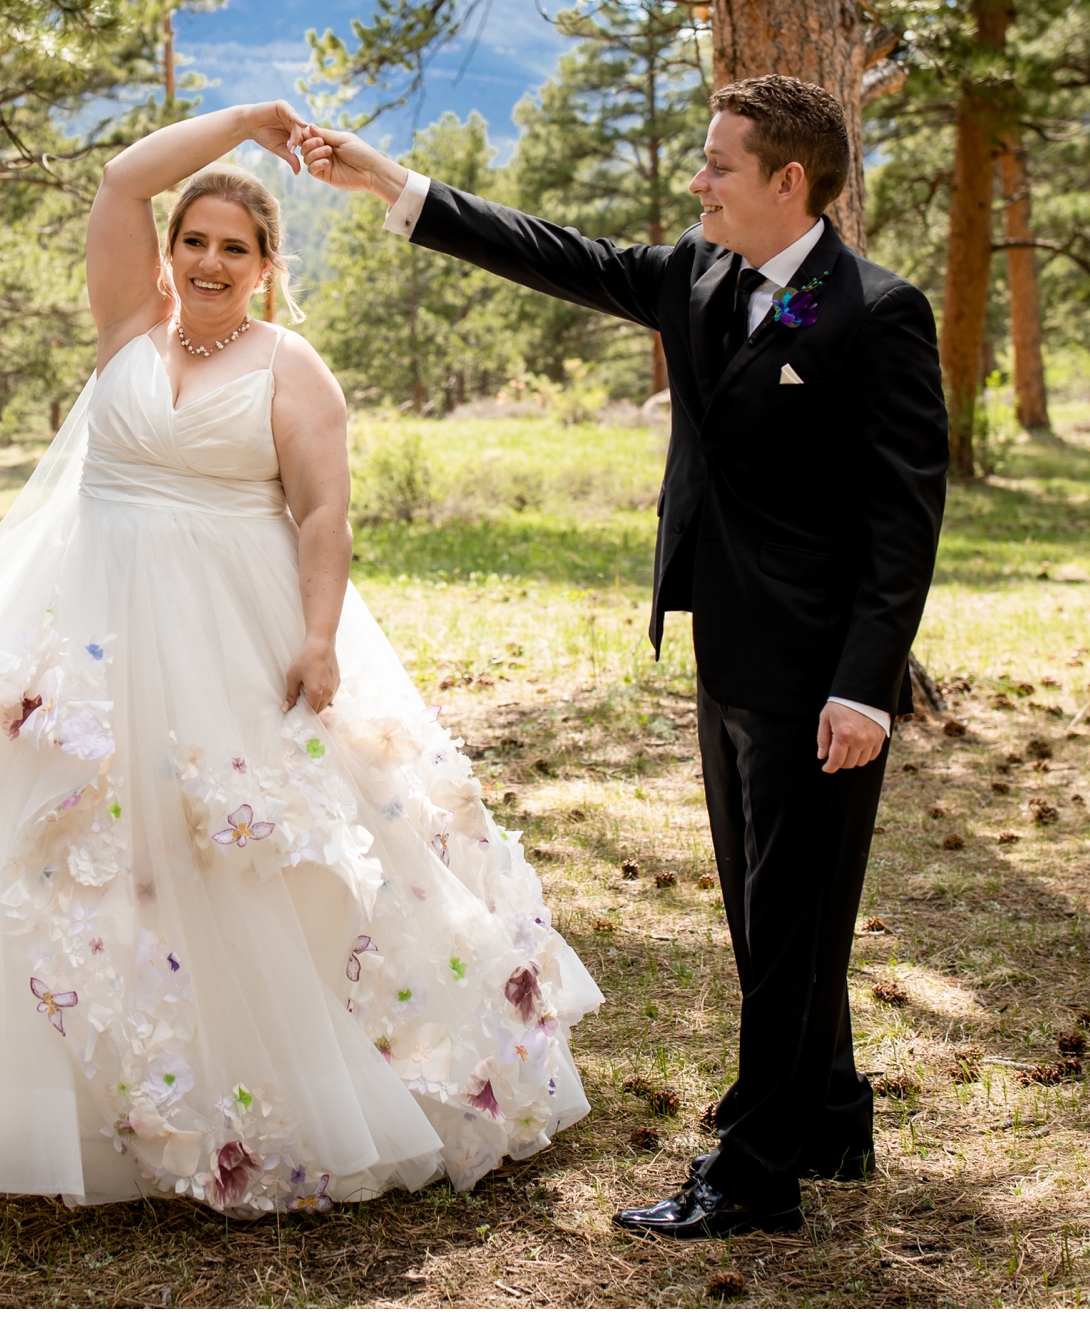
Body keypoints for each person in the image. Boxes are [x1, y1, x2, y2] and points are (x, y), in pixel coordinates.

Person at [0, 101, 599, 1219]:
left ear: (269, 267)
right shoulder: (129, 326)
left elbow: (323, 516)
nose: (212, 261)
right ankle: (22, 1103)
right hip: (87, 628)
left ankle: (261, 1083)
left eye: (237, 247)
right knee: (46, 843)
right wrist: (249, 123)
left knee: (231, 843)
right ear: (169, 253)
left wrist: (319, 639)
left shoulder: (294, 372)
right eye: (197, 241)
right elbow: (123, 178)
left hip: (233, 629)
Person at [300, 74, 946, 1238]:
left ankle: (753, 1177)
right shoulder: (696, 278)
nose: (696, 181)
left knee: (794, 919)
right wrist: (390, 184)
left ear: (788, 181)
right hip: (729, 655)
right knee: (774, 919)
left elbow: (906, 520)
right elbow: (555, 252)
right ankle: (832, 1115)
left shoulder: (875, 313)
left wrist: (865, 684)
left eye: (719, 165)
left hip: (821, 676)